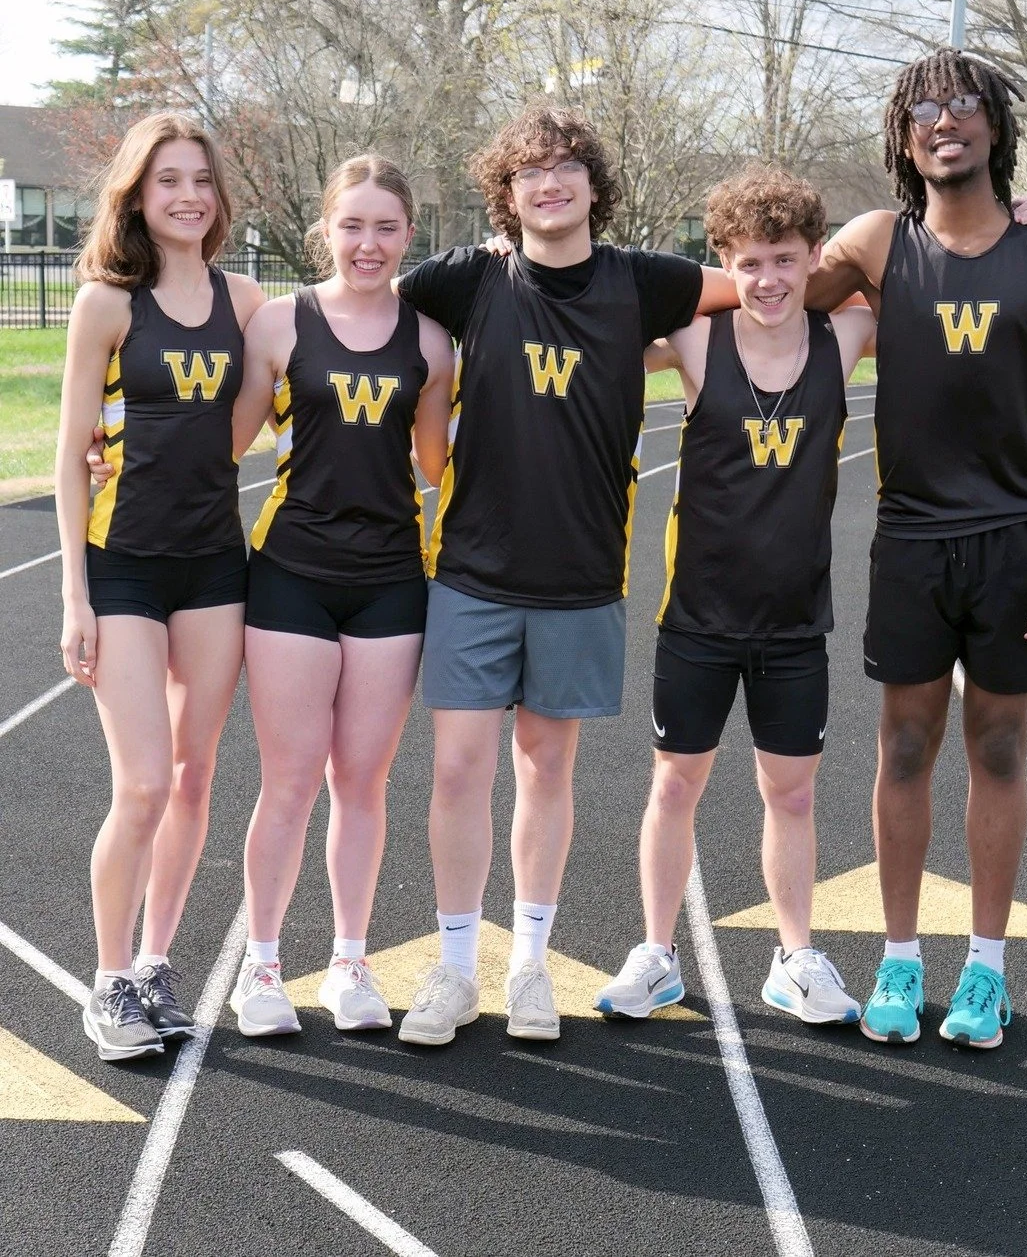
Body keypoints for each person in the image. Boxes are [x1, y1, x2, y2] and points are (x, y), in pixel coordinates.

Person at [391, 105, 737, 1045]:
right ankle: (456, 969)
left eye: (567, 167)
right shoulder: (469, 280)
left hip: (583, 577)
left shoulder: (643, 282)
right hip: (471, 571)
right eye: (530, 172)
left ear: (593, 183)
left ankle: (531, 965)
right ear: (506, 195)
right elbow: (348, 304)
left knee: (546, 768)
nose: (551, 184)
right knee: (459, 770)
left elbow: (770, 280)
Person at [805, 48, 1027, 1048]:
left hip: (1019, 538)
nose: (943, 122)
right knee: (900, 746)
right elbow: (765, 289)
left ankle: (984, 969)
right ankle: (897, 959)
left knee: (999, 745)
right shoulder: (874, 243)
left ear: (992, 128)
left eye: (962, 105)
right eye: (922, 111)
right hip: (912, 541)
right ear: (902, 139)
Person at [594, 167, 876, 1023]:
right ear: (723, 264)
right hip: (699, 616)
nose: (769, 280)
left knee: (790, 794)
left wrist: (1021, 218)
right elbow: (592, 303)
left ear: (812, 258)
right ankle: (657, 954)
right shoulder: (694, 337)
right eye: (748, 262)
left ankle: (795, 958)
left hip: (795, 621)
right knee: (674, 784)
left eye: (786, 259)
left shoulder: (847, 335)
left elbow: (942, 278)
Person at [224, 155, 453, 1037]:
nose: (369, 242)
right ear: (326, 228)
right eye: (352, 225)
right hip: (292, 573)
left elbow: (437, 467)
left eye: (386, 227)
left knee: (362, 779)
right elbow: (224, 442)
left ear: (410, 233)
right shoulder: (281, 325)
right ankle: (262, 966)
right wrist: (108, 443)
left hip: (391, 579)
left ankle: (350, 960)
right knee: (287, 782)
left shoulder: (430, 342)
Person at [56, 113, 264, 1061]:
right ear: (137, 195)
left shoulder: (250, 301)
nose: (187, 195)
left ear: (218, 198)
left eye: (200, 180)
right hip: (125, 565)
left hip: (215, 565)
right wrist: (73, 596)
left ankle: (153, 965)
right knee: (140, 783)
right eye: (167, 179)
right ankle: (106, 983)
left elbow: (310, 368)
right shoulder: (106, 303)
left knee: (192, 775)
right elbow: (69, 458)